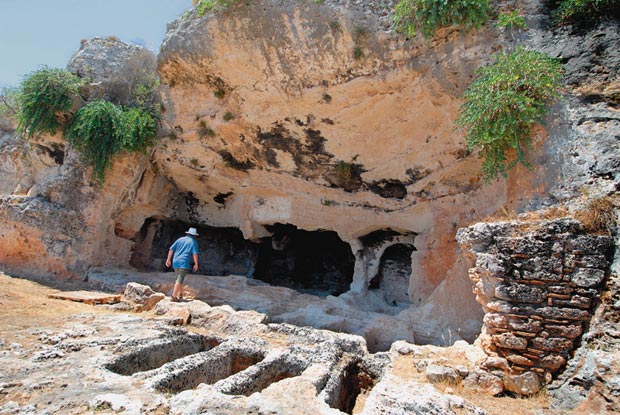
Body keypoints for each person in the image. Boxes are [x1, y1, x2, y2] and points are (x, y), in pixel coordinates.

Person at [165, 227, 200, 302]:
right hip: (183, 262)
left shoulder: (180, 239)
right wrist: (196, 264)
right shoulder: (193, 242)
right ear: (194, 235)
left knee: (179, 278)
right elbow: (195, 254)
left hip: (175, 261)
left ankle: (180, 294)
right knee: (179, 279)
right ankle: (174, 296)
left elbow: (171, 249)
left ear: (187, 233)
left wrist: (168, 259)